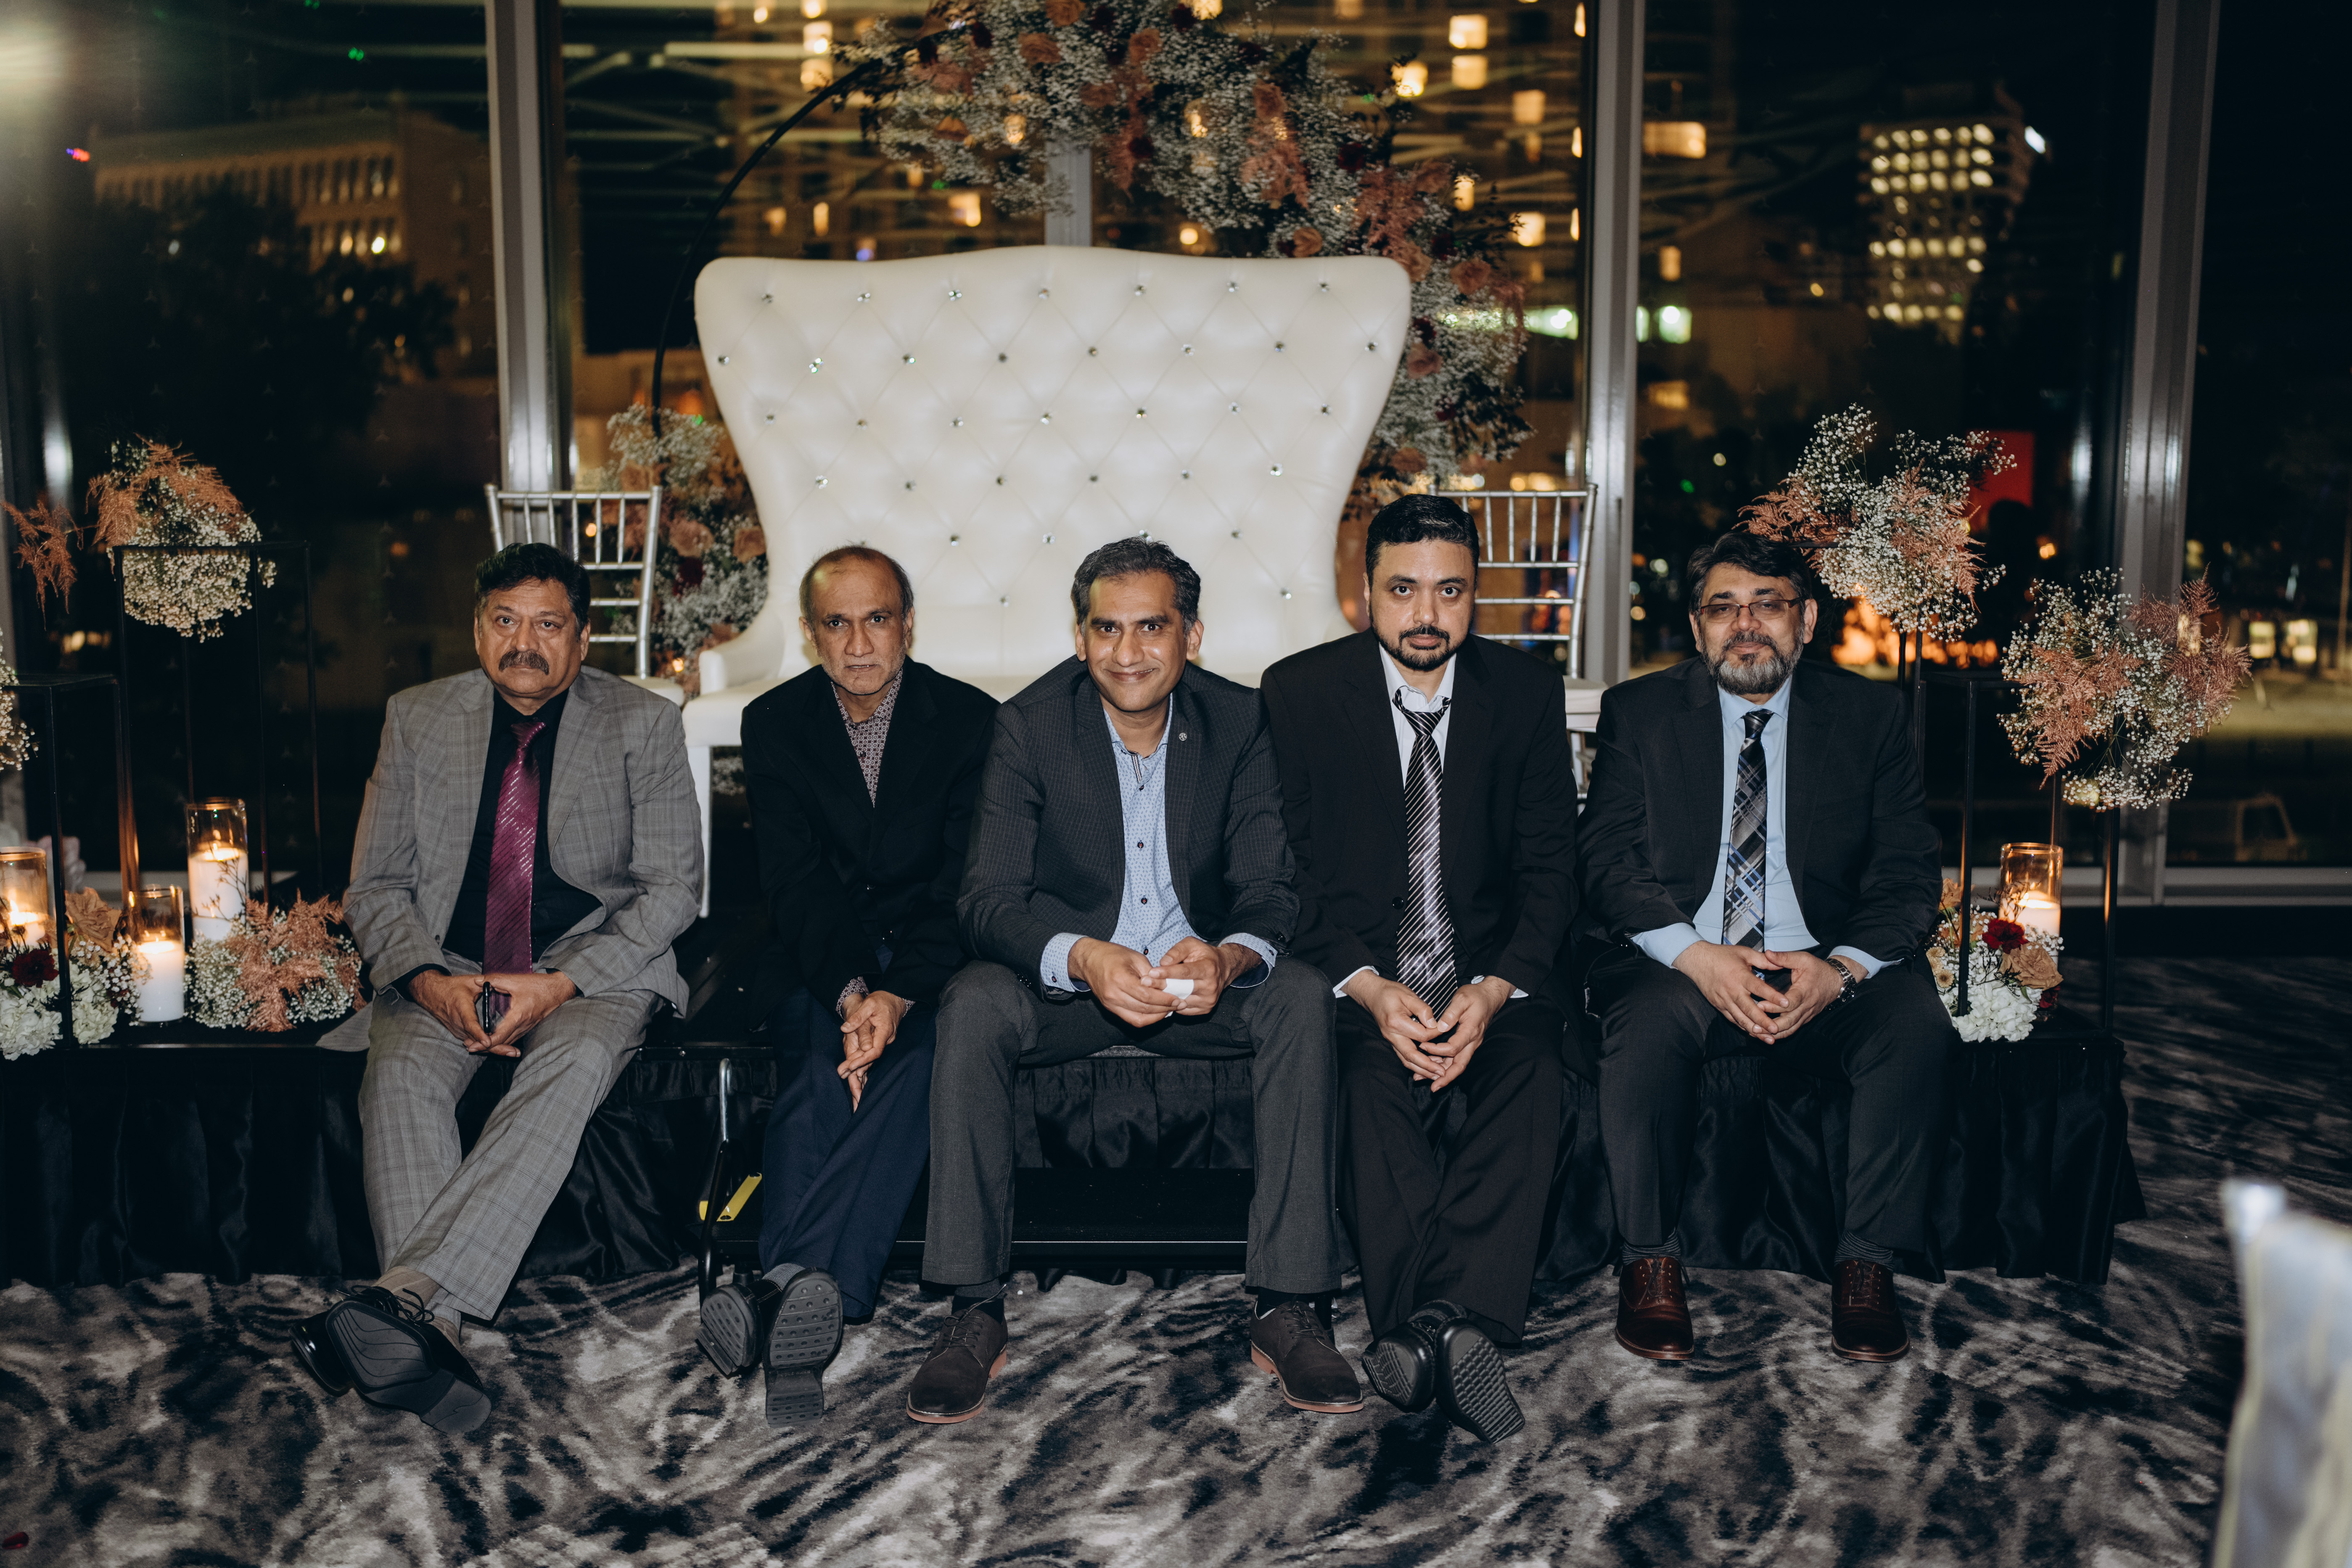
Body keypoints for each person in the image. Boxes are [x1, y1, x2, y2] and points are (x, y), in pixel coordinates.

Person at [909, 537, 1355, 1425]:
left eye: (1151, 627)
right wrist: (1083, 955)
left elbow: (1270, 887)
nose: (1127, 651)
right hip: (1073, 989)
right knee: (972, 1004)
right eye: (1106, 629)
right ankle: (972, 1306)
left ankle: (1288, 1302)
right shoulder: (1030, 725)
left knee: (1302, 997)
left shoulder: (1240, 720)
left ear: (1192, 633)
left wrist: (1227, 956)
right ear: (1079, 638)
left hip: (1200, 986)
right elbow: (986, 901)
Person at [291, 542, 702, 1435]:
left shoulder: (643, 722)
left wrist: (559, 985)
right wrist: (429, 982)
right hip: (447, 962)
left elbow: (675, 889)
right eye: (506, 621)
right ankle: (427, 1339)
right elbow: (376, 886)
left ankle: (403, 1297)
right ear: (477, 630)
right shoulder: (416, 718)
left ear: (583, 639)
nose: (525, 643)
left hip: (589, 964)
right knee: (399, 1076)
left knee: (574, 1062)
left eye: (549, 625)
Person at [1576, 530, 1952, 1365]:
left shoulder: (1869, 717)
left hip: (1817, 955)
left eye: (1766, 604)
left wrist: (1840, 969)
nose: (1744, 624)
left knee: (1912, 1024)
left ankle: (1866, 1261)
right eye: (1722, 607)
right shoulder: (1640, 712)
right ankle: (1649, 1261)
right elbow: (1606, 859)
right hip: (1686, 956)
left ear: (1805, 619)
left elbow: (1906, 873)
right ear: (1697, 626)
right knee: (1645, 1022)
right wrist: (1693, 954)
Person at [1261, 494, 1576, 1444]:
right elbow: (1285, 873)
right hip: (1363, 977)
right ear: (1366, 593)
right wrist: (1366, 985)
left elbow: (1552, 871)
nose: (1426, 614)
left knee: (1535, 1071)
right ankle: (1456, 1324)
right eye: (1403, 590)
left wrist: (1491, 989)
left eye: (1450, 591)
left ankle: (1422, 1330)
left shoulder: (1525, 693)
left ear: (1476, 595)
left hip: (1487, 975)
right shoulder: (1300, 692)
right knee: (1362, 1083)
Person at [698, 546, 996, 1427]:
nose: (858, 643)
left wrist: (895, 997)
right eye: (838, 623)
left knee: (923, 1057)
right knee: (815, 1071)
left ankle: (783, 1285)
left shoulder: (971, 720)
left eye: (877, 620)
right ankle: (805, 1303)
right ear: (809, 632)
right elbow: (795, 881)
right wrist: (851, 993)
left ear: (907, 625)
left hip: (936, 958)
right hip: (820, 955)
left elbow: (965, 883)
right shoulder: (775, 720)